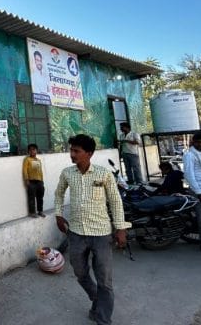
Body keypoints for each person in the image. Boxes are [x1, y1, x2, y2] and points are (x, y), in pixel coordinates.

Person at [54, 134, 130, 325]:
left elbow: (115, 201)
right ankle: (96, 298)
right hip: (76, 233)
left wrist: (120, 228)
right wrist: (58, 214)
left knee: (104, 280)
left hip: (101, 234)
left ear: (89, 153)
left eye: (76, 151)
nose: (72, 154)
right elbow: (58, 194)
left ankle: (103, 319)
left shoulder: (103, 174)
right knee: (80, 273)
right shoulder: (67, 173)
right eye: (71, 150)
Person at [22, 143, 45, 218]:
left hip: (39, 182)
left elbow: (40, 171)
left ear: (36, 151)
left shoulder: (38, 160)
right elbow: (24, 170)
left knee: (40, 197)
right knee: (31, 198)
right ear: (28, 151)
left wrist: (42, 181)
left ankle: (40, 211)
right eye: (30, 150)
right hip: (31, 182)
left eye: (33, 150)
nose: (32, 151)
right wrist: (26, 180)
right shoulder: (27, 159)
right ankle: (32, 212)